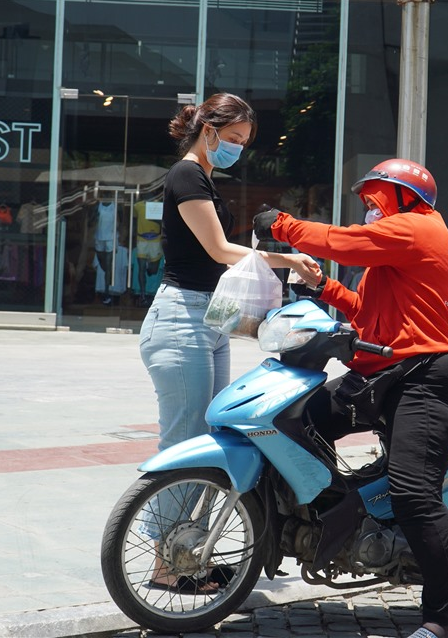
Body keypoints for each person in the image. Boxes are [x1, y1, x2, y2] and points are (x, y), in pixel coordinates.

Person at [254, 158, 448, 638]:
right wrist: (321, 287)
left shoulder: (418, 229)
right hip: (378, 373)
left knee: (415, 494)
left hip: (425, 377)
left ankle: (444, 618)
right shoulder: (398, 245)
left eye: (377, 198)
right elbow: (366, 310)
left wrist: (283, 225)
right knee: (291, 423)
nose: (371, 207)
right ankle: (343, 515)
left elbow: (344, 243)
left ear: (404, 196)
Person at [139, 92, 321, 591]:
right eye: (234, 139)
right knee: (184, 444)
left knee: (209, 442)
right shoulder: (187, 174)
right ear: (209, 130)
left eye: (244, 143)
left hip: (205, 325)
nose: (238, 150)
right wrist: (290, 259)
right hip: (180, 324)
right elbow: (220, 251)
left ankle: (183, 557)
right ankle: (165, 565)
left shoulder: (204, 177)